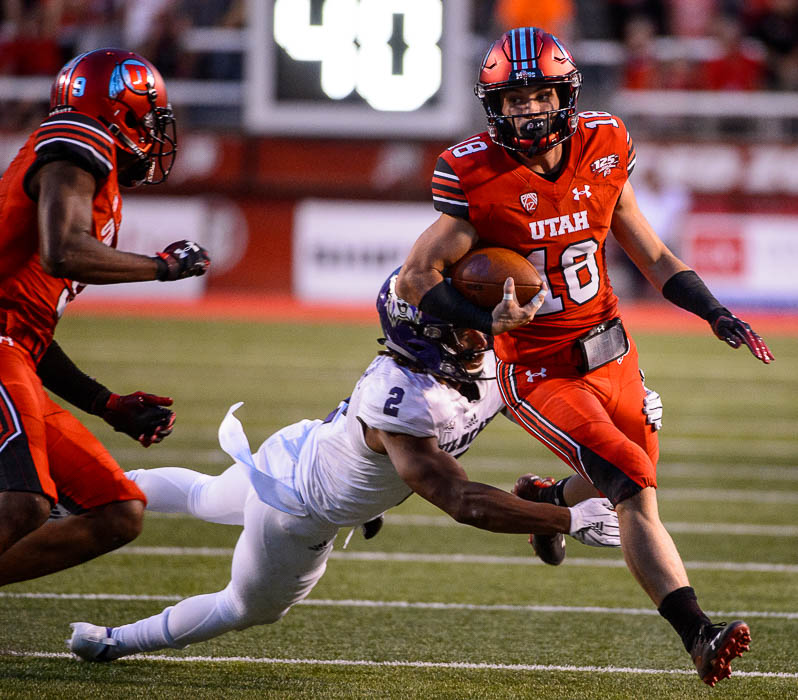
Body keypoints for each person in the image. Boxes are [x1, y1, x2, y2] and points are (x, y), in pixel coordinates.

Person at [395, 27, 773, 687]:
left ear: (566, 94)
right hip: (540, 369)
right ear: (495, 107)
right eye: (515, 100)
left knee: (626, 478)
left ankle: (546, 495)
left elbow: (652, 255)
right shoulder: (473, 173)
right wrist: (485, 318)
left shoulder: (604, 142)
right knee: (634, 487)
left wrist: (714, 310)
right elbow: (415, 280)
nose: (530, 109)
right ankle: (699, 635)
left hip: (612, 348)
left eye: (541, 94)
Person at [66, 268, 629, 661]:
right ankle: (110, 640)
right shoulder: (404, 394)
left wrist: (619, 414)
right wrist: (569, 521)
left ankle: (67, 496)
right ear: (431, 336)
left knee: (205, 497)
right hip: (298, 509)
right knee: (246, 606)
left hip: (298, 449)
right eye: (464, 325)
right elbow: (461, 501)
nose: (481, 333)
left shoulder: (471, 361)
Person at [0, 48, 210, 587]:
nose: (155, 134)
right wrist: (162, 267)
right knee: (22, 503)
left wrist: (105, 403)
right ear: (124, 110)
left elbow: (30, 331)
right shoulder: (78, 136)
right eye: (151, 118)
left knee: (116, 509)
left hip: (13, 350)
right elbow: (63, 252)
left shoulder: (85, 163)